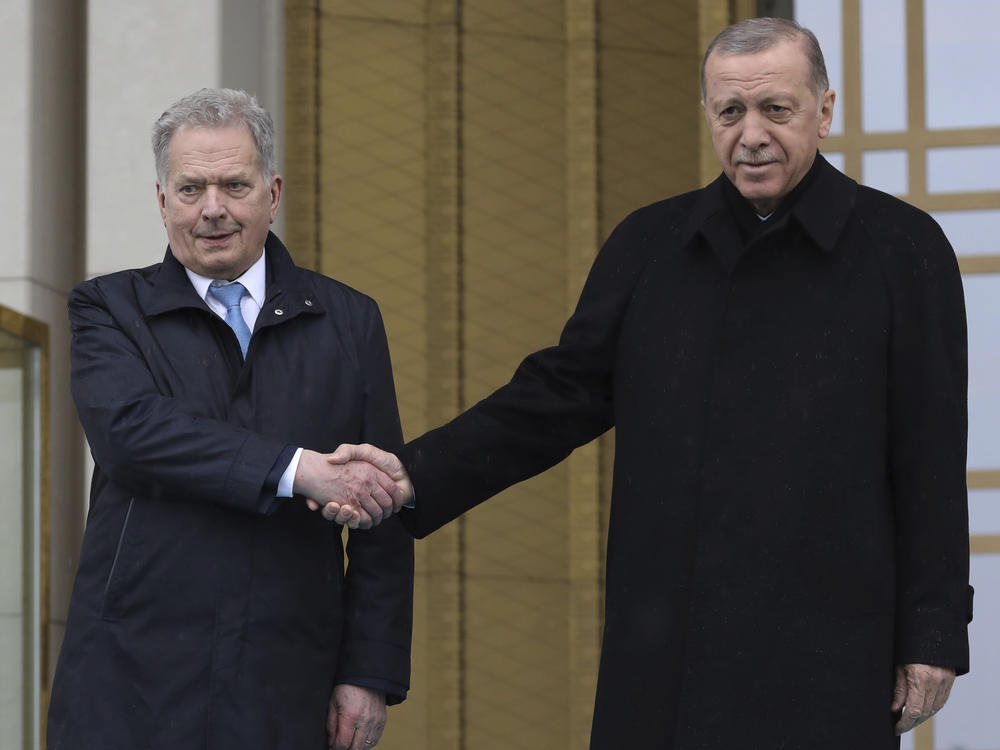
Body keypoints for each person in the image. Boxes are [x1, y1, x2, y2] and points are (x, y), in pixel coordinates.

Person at [329, 17, 972, 749]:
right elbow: (555, 396)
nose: (751, 134)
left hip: (829, 646)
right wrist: (414, 473)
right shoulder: (650, 244)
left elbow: (930, 455)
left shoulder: (903, 248)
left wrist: (933, 631)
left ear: (824, 112)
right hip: (669, 648)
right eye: (730, 112)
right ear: (707, 116)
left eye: (776, 110)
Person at [47, 88, 413, 750]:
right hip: (131, 680)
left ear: (272, 193)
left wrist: (369, 672)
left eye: (233, 185)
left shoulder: (350, 321)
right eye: (190, 189)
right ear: (163, 203)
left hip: (286, 678)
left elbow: (381, 506)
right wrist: (298, 470)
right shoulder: (107, 308)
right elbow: (131, 433)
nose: (212, 209)